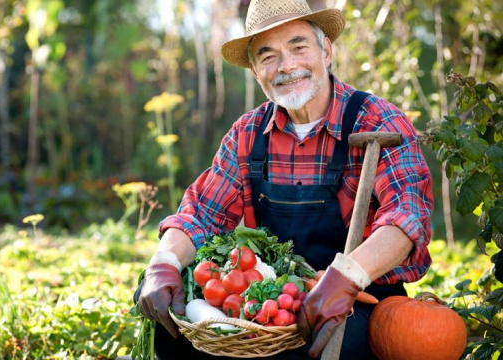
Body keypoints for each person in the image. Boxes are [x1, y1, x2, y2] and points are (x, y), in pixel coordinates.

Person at [135, 0, 434, 358]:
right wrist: (164, 263)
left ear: (326, 50)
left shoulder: (377, 122)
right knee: (171, 334)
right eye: (268, 56)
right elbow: (201, 213)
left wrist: (348, 276)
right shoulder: (248, 133)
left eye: (298, 46)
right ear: (256, 73)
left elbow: (406, 217)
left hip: (359, 296)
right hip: (274, 299)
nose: (287, 66)